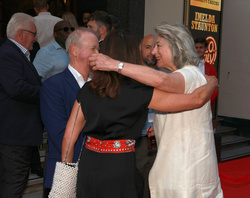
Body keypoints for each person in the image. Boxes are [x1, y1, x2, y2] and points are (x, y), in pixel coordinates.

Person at [62, 29, 218, 198]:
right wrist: (212, 82)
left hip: (88, 163)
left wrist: (64, 182)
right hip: (119, 167)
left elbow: (69, 138)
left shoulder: (88, 89)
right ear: (132, 56)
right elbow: (196, 100)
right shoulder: (141, 93)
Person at [40, 28, 98, 197]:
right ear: (74, 50)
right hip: (66, 173)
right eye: (93, 49)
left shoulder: (101, 86)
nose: (98, 54)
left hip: (96, 174)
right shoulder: (53, 86)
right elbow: (60, 135)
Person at [0, 13, 43, 198]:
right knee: (15, 182)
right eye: (33, 33)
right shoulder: (9, 53)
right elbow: (16, 88)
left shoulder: (17, 53)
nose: (36, 38)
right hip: (15, 134)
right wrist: (46, 92)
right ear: (21, 33)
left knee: (12, 181)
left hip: (17, 132)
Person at [136, 34, 157, 198]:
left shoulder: (164, 75)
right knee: (138, 178)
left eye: (155, 47)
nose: (152, 52)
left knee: (154, 180)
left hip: (158, 137)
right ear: (139, 49)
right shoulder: (132, 74)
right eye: (147, 47)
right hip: (138, 137)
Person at [195, 37, 218, 108]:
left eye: (201, 47)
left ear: (206, 49)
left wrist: (208, 102)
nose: (198, 50)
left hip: (205, 104)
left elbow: (215, 88)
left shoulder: (211, 68)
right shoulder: (187, 65)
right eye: (196, 47)